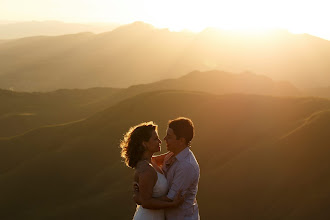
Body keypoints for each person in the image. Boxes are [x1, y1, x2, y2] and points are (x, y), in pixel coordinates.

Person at [136, 117, 200, 220]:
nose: (164, 139)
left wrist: (142, 198)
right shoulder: (172, 154)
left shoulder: (186, 166)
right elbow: (150, 160)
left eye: (169, 136)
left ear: (181, 140)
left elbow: (171, 198)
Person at [120, 121, 184, 220]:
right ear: (144, 144)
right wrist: (173, 204)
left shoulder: (152, 161)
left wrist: (182, 142)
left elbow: (172, 155)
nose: (160, 141)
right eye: (155, 139)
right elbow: (146, 202)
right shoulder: (147, 170)